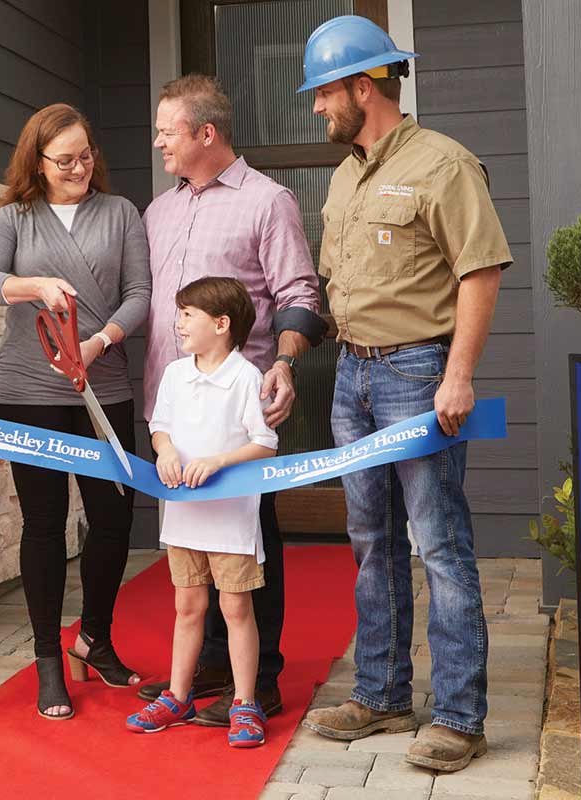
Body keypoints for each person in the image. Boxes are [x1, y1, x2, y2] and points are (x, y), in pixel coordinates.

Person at [292, 16, 511, 773]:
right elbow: (338, 286)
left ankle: (459, 716)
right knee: (370, 542)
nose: (318, 109)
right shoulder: (347, 173)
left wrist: (458, 373)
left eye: (325, 94)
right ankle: (383, 694)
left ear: (364, 86)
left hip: (419, 375)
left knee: (439, 545)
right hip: (351, 374)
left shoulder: (444, 165)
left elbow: (480, 269)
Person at [134, 74, 325, 728]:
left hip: (235, 411)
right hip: (173, 409)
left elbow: (300, 290)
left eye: (168, 130)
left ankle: (259, 680)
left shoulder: (268, 201)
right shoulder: (158, 211)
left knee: (246, 542)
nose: (158, 141)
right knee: (190, 539)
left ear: (204, 133)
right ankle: (210, 663)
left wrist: (287, 363)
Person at [0, 103, 151, 720]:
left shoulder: (121, 212)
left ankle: (94, 637)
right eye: (64, 159)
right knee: (44, 524)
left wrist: (100, 343)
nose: (79, 167)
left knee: (113, 518)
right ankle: (49, 659)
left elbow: (140, 295)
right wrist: (35, 286)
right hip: (29, 390)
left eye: (85, 155)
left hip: (104, 388)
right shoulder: (16, 217)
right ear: (38, 163)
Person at [126, 276, 278, 748]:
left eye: (188, 314)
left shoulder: (246, 377)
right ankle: (177, 695)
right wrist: (165, 451)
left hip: (231, 520)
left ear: (222, 323)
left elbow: (266, 443)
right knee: (187, 606)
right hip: (184, 515)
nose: (179, 322)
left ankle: (245, 702)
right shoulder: (174, 374)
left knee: (235, 608)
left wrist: (218, 462)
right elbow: (160, 426)